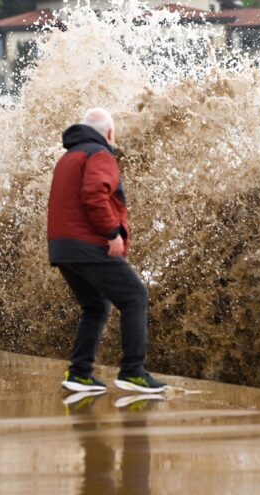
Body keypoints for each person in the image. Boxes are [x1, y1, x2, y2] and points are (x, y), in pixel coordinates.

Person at [48, 107, 168, 395]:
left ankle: (79, 373)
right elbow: (94, 195)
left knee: (96, 306)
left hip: (62, 247)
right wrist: (112, 232)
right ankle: (133, 372)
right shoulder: (99, 155)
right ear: (110, 133)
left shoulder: (68, 157)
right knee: (135, 296)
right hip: (88, 245)